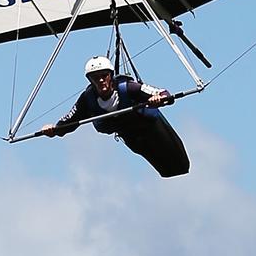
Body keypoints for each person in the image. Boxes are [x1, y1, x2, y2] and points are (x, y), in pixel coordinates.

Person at [41, 56, 190, 178]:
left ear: (110, 76)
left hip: (152, 127)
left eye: (103, 76)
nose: (100, 80)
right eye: (95, 78)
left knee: (180, 163)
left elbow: (164, 93)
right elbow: (70, 120)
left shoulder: (128, 87)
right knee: (167, 170)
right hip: (132, 137)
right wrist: (54, 129)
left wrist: (159, 98)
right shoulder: (88, 98)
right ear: (90, 80)